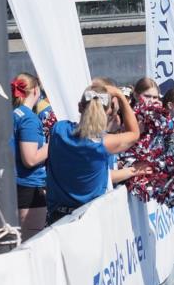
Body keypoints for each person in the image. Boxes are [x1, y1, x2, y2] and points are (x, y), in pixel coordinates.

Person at [45, 83, 140, 225]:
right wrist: (120, 96)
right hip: (90, 220)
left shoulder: (58, 130)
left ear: (79, 106)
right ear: (108, 112)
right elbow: (134, 133)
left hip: (58, 218)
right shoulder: (103, 144)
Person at [10, 73, 48, 241]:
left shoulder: (12, 114)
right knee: (30, 243)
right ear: (35, 90)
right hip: (29, 186)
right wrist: (53, 142)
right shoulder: (28, 119)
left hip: (13, 184)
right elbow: (30, 159)